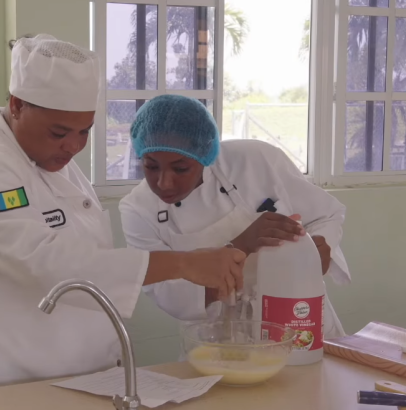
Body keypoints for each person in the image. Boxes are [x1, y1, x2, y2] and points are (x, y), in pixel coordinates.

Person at [0, 34, 246, 394]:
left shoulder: (52, 160)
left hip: (82, 375)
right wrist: (183, 263)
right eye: (59, 132)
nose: (74, 146)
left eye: (85, 132)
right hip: (9, 377)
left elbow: (88, 258)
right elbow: (50, 264)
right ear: (17, 105)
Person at [119, 94, 350, 338]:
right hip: (220, 337)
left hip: (298, 316)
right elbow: (171, 297)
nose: (164, 183)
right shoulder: (138, 210)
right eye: (151, 166)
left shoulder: (256, 160)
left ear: (204, 155)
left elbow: (327, 215)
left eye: (181, 168)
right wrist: (241, 246)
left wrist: (319, 248)